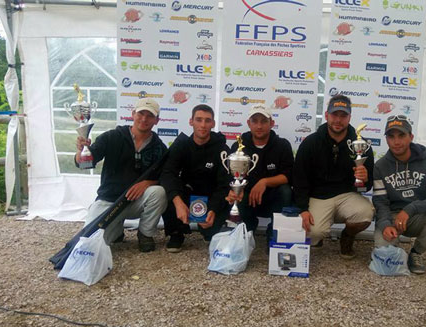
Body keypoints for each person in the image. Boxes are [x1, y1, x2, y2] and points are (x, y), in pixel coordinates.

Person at [76, 97, 168, 252]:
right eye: (141, 113)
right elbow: (85, 164)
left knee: (159, 192)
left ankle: (145, 234)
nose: (144, 119)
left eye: (150, 115)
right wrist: (81, 150)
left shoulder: (160, 148)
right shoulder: (111, 137)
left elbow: (167, 177)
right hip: (109, 202)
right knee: (89, 243)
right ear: (133, 114)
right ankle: (116, 230)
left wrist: (148, 183)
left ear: (156, 120)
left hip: (136, 203)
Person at [293, 95, 375, 259]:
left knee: (366, 213)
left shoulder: (361, 144)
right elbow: (299, 179)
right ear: (326, 115)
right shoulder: (311, 143)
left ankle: (347, 236)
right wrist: (302, 209)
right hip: (318, 197)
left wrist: (365, 179)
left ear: (349, 117)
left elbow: (367, 186)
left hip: (347, 196)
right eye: (334, 115)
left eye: (343, 115)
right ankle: (320, 234)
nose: (338, 120)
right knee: (313, 234)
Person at [372, 115, 426, 274]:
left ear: (411, 137)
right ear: (386, 139)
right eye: (391, 136)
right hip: (393, 218)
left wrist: (410, 209)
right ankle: (394, 246)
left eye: (401, 135)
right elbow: (380, 202)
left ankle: (416, 253)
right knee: (384, 253)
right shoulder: (380, 166)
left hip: (417, 216)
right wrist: (385, 225)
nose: (396, 141)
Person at [159, 104, 231, 252]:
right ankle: (176, 232)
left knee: (228, 197)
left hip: (210, 196)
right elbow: (167, 173)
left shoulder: (222, 149)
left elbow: (224, 185)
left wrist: (213, 209)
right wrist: (178, 202)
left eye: (207, 120)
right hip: (187, 194)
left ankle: (210, 229)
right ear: (191, 121)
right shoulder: (181, 145)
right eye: (198, 120)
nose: (203, 125)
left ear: (213, 123)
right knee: (168, 190)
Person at [225, 104, 294, 244]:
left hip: (272, 197)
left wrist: (264, 182)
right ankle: (247, 228)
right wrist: (236, 190)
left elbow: (289, 176)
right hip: (248, 196)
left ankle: (274, 232)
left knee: (286, 191)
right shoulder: (238, 147)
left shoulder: (282, 145)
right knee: (234, 193)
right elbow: (231, 177)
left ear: (272, 123)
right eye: (255, 121)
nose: (259, 126)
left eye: (264, 121)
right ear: (248, 123)